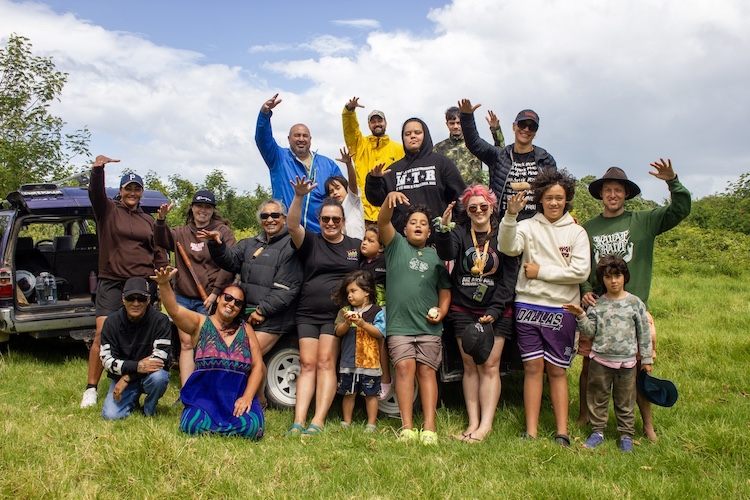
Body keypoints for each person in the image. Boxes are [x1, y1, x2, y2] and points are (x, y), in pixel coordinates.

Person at [578, 159, 691, 442]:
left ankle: (647, 425)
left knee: (639, 367)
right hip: (600, 311)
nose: (613, 195)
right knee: (589, 366)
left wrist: (672, 181)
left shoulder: (643, 221)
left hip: (633, 311)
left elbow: (680, 210)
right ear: (600, 194)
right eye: (608, 190)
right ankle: (584, 416)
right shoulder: (589, 228)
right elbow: (581, 264)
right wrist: (585, 289)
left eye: (618, 190)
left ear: (626, 194)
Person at [498, 169, 590, 446]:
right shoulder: (527, 226)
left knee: (557, 370)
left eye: (559, 198)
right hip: (528, 305)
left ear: (567, 199)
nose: (553, 203)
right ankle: (532, 431)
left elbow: (580, 272)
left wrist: (541, 272)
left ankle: (562, 432)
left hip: (562, 308)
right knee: (532, 368)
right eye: (549, 197)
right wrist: (510, 216)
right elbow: (507, 247)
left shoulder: (576, 232)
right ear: (540, 199)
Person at [81, 155, 169, 409]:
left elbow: (158, 251)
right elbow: (95, 193)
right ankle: (91, 388)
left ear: (141, 193)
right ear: (120, 191)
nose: (132, 192)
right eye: (128, 188)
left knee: (144, 335)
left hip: (142, 284)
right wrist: (97, 170)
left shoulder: (148, 220)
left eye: (136, 189)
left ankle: (138, 380)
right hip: (112, 281)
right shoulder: (107, 211)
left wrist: (160, 279)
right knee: (102, 332)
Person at [434, 184, 518, 443]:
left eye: (483, 206)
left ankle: (486, 425)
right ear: (466, 211)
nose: (479, 211)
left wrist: (495, 309)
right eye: (473, 208)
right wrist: (443, 229)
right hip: (463, 308)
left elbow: (510, 276)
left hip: (496, 309)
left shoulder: (503, 233)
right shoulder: (460, 232)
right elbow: (446, 252)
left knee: (489, 365)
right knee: (470, 365)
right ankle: (472, 422)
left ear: (492, 207)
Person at [285, 177, 362, 436]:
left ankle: (317, 421)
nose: (330, 223)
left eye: (336, 219)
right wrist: (299, 196)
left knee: (326, 362)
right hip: (307, 312)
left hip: (336, 315)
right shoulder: (311, 241)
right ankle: (298, 421)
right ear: (319, 220)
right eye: (326, 219)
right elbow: (292, 225)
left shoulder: (354, 246)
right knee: (307, 363)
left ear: (343, 221)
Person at [152, 267, 265, 440]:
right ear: (219, 298)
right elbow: (174, 310)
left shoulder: (246, 329)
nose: (231, 304)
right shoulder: (200, 323)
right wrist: (164, 284)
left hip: (236, 398)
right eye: (228, 298)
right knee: (192, 424)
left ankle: (220, 428)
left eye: (238, 303)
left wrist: (247, 397)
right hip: (205, 399)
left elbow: (257, 366)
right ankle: (217, 427)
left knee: (252, 427)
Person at [378, 192, 451, 444]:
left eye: (423, 223)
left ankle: (429, 428)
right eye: (413, 222)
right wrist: (389, 200)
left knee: (427, 372)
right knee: (403, 369)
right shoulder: (395, 246)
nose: (418, 226)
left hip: (429, 327)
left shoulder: (436, 257)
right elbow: (382, 222)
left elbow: (445, 290)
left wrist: (442, 311)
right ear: (404, 229)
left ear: (430, 232)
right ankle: (407, 427)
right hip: (400, 326)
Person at [563, 255, 653, 452]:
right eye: (608, 277)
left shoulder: (635, 303)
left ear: (625, 277)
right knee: (598, 397)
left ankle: (626, 435)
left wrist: (646, 359)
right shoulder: (598, 305)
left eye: (617, 276)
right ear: (602, 279)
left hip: (627, 364)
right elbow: (590, 332)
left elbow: (644, 333)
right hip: (600, 362)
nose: (613, 281)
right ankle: (597, 432)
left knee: (626, 399)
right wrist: (581, 315)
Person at [154, 189, 237, 387]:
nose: (203, 210)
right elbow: (161, 239)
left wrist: (215, 293)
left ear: (213, 210)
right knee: (186, 344)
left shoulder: (223, 232)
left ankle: (207, 387)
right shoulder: (181, 232)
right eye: (199, 206)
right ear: (192, 208)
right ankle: (187, 389)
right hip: (183, 298)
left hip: (209, 299)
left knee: (206, 344)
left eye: (207, 207)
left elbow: (230, 264)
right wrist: (161, 220)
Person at [203, 199, 302, 362]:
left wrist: (262, 311)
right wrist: (216, 244)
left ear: (284, 219)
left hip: (273, 319)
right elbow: (230, 261)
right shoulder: (250, 244)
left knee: (242, 358)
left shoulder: (292, 246)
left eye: (275, 215)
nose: (270, 219)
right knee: (238, 360)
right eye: (265, 216)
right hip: (246, 316)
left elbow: (286, 287)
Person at [365, 117, 466, 244]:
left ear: (425, 135)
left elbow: (461, 199)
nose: (412, 136)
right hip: (402, 244)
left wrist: (455, 231)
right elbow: (376, 200)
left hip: (439, 242)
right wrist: (373, 180)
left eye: (417, 132)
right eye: (407, 134)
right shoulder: (393, 170)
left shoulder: (442, 163)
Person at [255, 93, 342, 233]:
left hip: (319, 234)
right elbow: (263, 139)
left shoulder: (328, 165)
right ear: (289, 139)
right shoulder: (278, 157)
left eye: (305, 136)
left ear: (310, 139)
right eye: (297, 135)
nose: (301, 139)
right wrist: (264, 114)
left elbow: (341, 196)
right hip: (286, 233)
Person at [458, 99, 557, 219]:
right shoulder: (499, 156)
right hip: (504, 222)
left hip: (537, 223)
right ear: (514, 126)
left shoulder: (545, 159)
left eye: (532, 127)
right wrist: (467, 116)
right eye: (522, 124)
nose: (526, 129)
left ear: (535, 132)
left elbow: (554, 193)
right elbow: (474, 143)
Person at [99, 277, 171, 420]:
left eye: (141, 299)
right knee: (111, 416)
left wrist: (127, 377)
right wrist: (137, 366)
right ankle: (133, 399)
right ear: (123, 299)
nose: (136, 303)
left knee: (160, 378)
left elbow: (159, 360)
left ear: (148, 299)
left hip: (145, 376)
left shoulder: (161, 321)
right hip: (122, 376)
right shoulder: (111, 323)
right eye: (130, 298)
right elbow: (107, 361)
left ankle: (149, 410)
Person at [333, 270, 386, 432]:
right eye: (348, 292)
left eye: (353, 291)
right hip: (348, 362)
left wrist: (363, 324)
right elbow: (338, 331)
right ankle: (346, 421)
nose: (349, 295)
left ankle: (371, 423)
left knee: (371, 394)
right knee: (348, 393)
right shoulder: (345, 311)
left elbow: (380, 332)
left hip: (370, 363)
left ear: (367, 291)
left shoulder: (377, 311)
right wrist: (347, 323)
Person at [342, 97, 405, 224]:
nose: (377, 124)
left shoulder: (399, 149)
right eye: (373, 122)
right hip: (363, 213)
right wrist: (349, 111)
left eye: (380, 121)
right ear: (369, 125)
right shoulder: (360, 145)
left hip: (390, 214)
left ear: (386, 123)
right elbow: (350, 130)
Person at [433, 106, 506, 185]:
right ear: (447, 124)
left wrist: (496, 130)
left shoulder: (475, 145)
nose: (456, 126)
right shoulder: (439, 148)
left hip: (474, 191)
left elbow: (500, 155)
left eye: (458, 123)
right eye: (452, 123)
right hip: (449, 191)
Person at [358, 224, 391, 399]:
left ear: (381, 248)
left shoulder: (386, 260)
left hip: (381, 308)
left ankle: (386, 378)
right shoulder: (361, 262)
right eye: (364, 239)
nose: (364, 243)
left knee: (380, 342)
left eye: (370, 241)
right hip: (364, 309)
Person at [325, 147, 365, 239]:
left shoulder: (352, 200)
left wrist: (349, 164)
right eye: (331, 191)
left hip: (358, 244)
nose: (335, 193)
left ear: (346, 188)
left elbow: (353, 183)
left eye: (338, 188)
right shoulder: (332, 211)